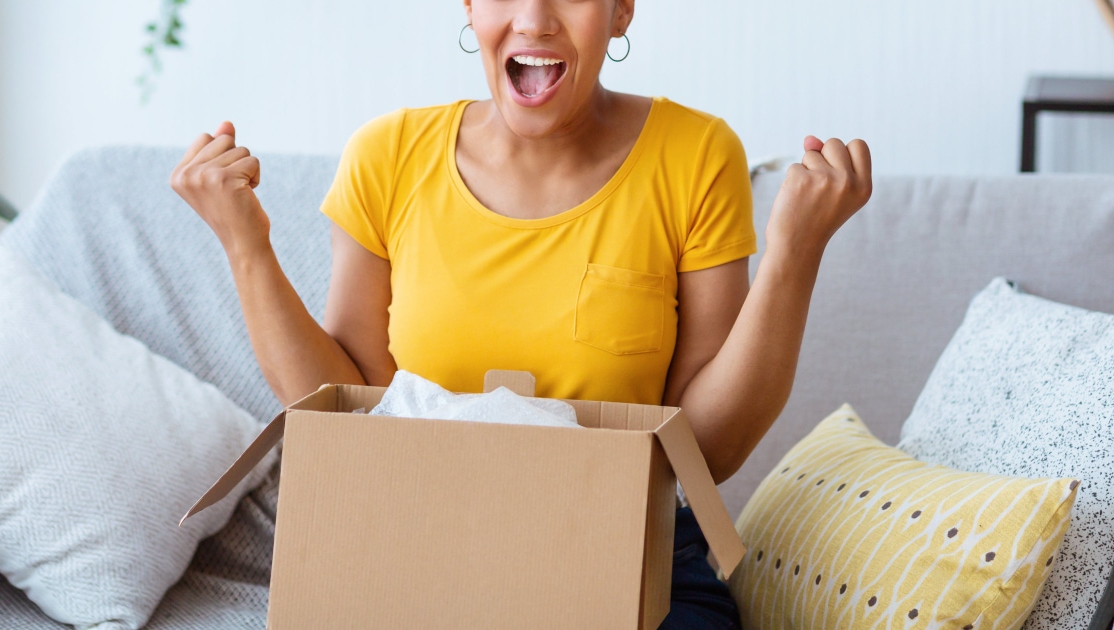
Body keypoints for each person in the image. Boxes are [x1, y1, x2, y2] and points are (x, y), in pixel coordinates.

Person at [170, 1, 871, 626]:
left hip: (627, 553)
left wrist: (794, 256)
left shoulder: (696, 156)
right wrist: (245, 245)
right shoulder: (386, 157)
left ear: (621, 11)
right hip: (420, 545)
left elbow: (706, 454)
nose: (534, 19)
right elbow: (355, 415)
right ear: (470, 8)